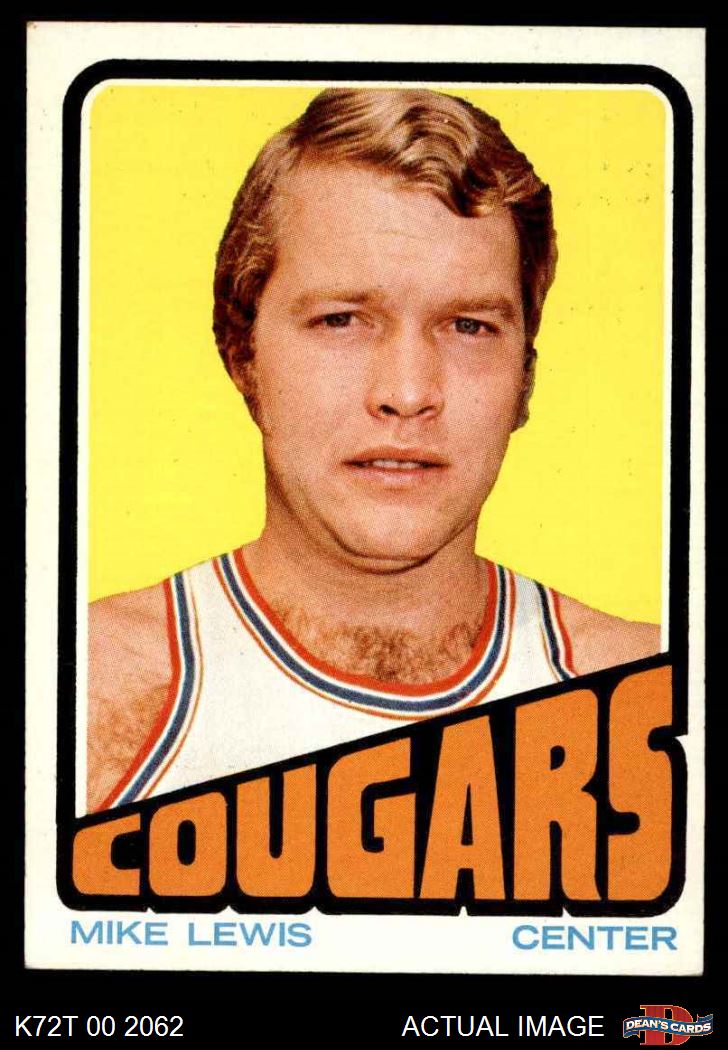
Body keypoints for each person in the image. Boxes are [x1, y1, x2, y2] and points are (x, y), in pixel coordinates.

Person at [88, 87, 660, 813]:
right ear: (243, 354)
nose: (408, 392)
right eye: (342, 320)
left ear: (526, 376)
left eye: (469, 326)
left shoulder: (650, 694)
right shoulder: (84, 689)